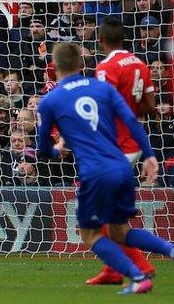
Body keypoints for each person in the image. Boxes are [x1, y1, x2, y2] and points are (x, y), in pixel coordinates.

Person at [37, 42, 173, 295]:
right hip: (121, 166)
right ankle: (169, 249)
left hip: (96, 172)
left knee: (90, 233)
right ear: (81, 64)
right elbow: (132, 120)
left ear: (54, 67)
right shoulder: (102, 88)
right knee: (119, 231)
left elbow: (43, 149)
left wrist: (57, 150)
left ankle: (137, 276)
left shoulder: (50, 100)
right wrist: (150, 155)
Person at [85, 16, 157, 286]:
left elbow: (105, 106)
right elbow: (150, 104)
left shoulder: (107, 67)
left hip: (114, 146)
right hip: (134, 143)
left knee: (99, 214)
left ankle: (140, 265)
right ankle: (114, 270)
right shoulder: (139, 63)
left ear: (100, 40)